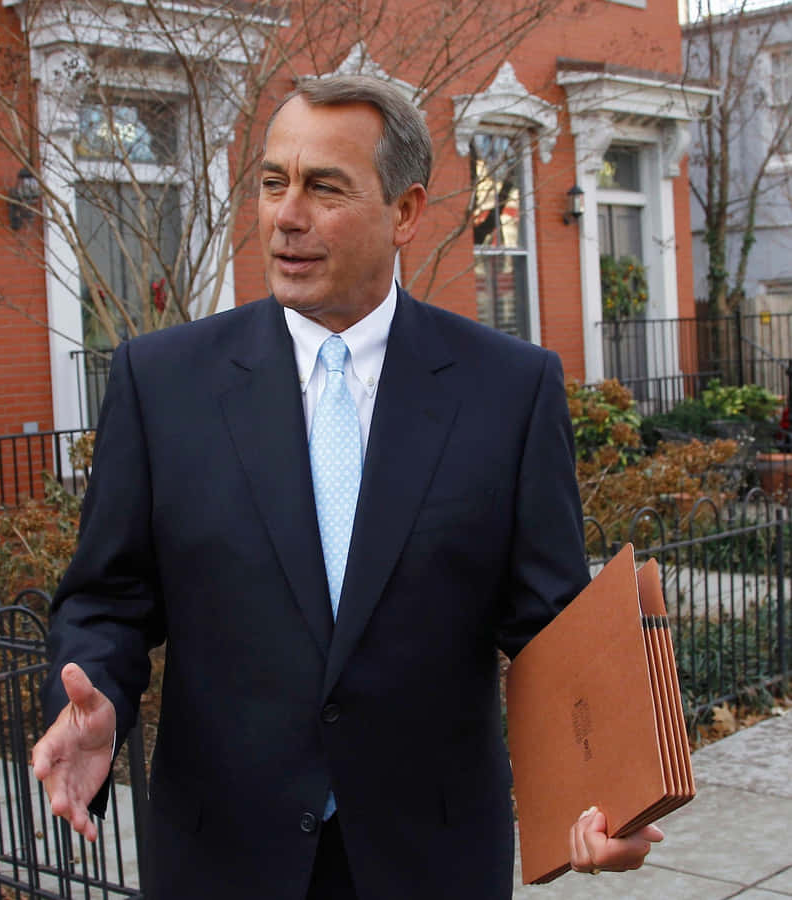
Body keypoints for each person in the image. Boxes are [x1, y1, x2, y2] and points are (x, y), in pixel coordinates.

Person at [32, 75, 664, 899]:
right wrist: (94, 699)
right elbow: (106, 600)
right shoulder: (163, 382)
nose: (286, 215)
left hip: (429, 861)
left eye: (324, 188)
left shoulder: (508, 389)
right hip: (223, 856)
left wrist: (605, 794)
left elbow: (548, 629)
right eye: (272, 183)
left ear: (404, 213)